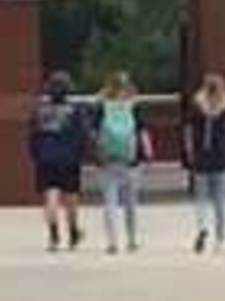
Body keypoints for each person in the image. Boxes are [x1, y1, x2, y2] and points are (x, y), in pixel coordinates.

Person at [28, 74, 90, 251]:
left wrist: (36, 154)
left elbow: (32, 137)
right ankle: (73, 232)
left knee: (50, 196)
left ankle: (53, 235)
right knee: (71, 197)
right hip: (69, 159)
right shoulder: (74, 111)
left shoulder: (39, 112)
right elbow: (82, 136)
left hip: (46, 159)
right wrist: (82, 154)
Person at [93, 73, 148, 253]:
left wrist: (98, 152)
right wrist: (147, 153)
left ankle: (112, 242)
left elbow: (93, 133)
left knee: (110, 202)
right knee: (130, 202)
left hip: (108, 159)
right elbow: (142, 132)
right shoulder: (133, 106)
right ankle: (132, 240)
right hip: (130, 159)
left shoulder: (102, 107)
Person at [185, 72, 225, 251]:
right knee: (220, 201)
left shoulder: (196, 104)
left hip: (202, 156)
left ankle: (202, 228)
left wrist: (189, 150)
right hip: (220, 156)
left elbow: (189, 127)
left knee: (201, 198)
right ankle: (220, 240)